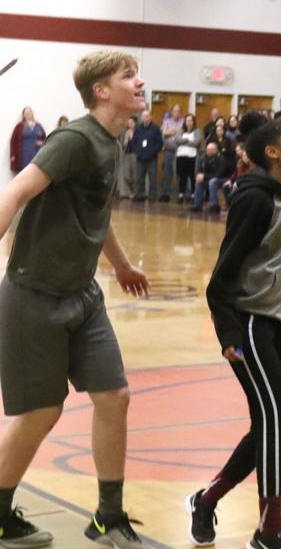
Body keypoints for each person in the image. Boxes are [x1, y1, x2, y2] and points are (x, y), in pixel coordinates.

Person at [0, 51, 151, 547]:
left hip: (84, 295)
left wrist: (122, 264)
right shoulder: (74, 139)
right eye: (128, 76)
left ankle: (109, 516)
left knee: (115, 396)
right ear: (101, 91)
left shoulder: (113, 141)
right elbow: (17, 191)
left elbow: (96, 211)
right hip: (33, 294)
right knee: (42, 413)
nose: (140, 81)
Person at [185, 115, 281, 549]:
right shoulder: (254, 200)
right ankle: (269, 528)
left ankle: (207, 500)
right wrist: (228, 335)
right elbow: (221, 276)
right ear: (273, 153)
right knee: (279, 417)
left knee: (270, 423)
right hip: (251, 325)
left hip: (280, 323)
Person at [130, 109, 162, 202]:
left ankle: (152, 196)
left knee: (152, 178)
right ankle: (139, 195)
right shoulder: (138, 129)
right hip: (140, 157)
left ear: (150, 117)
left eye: (147, 116)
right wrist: (137, 151)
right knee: (139, 177)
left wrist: (152, 152)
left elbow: (159, 143)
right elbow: (134, 142)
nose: (145, 118)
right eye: (143, 116)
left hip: (151, 158)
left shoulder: (156, 129)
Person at [8, 107, 45, 174]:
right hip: (24, 155)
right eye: (26, 113)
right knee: (25, 173)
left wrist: (42, 143)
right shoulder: (19, 126)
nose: (28, 114)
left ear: (32, 113)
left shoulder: (38, 126)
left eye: (29, 112)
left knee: (36, 173)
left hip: (37, 154)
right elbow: (13, 141)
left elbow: (45, 139)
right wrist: (12, 155)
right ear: (23, 115)